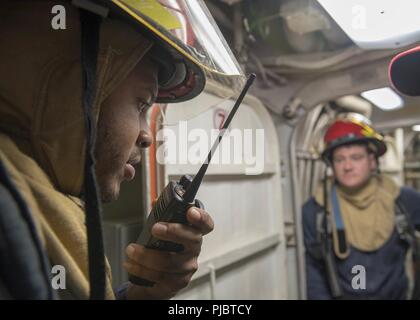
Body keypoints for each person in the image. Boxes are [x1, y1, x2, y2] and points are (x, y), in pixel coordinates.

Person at [0, 0, 244, 300]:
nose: (147, 136)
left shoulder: (52, 213)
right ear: (70, 84)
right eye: (142, 103)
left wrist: (144, 294)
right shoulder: (11, 222)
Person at [302, 114, 420, 299]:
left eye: (356, 157)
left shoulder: (403, 200)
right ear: (331, 164)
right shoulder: (316, 210)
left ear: (372, 161)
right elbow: (314, 269)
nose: (347, 166)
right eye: (340, 159)